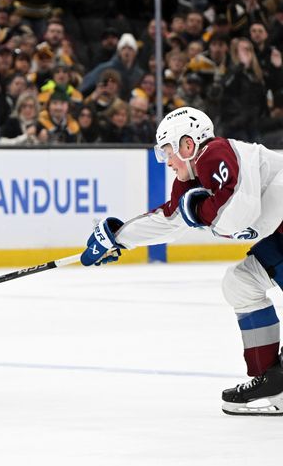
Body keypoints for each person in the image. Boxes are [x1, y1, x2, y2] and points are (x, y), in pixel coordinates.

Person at [79, 106, 283, 415]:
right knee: (240, 283)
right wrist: (118, 238)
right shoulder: (194, 177)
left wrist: (199, 212)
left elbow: (238, 211)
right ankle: (273, 383)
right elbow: (170, 219)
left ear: (188, 145)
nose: (167, 162)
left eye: (167, 152)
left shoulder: (215, 153)